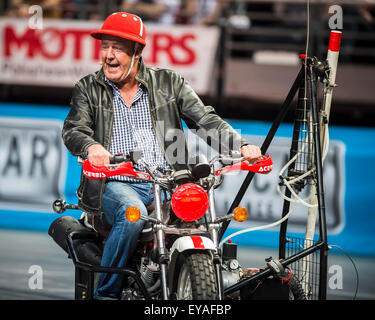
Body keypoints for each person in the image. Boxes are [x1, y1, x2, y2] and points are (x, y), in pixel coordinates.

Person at [62, 11, 262, 300]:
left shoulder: (169, 82)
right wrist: (91, 148)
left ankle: (209, 284)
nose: (108, 55)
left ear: (137, 51)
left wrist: (240, 146)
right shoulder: (88, 88)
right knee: (135, 217)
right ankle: (106, 294)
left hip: (167, 180)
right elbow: (74, 129)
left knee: (204, 214)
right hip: (115, 182)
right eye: (105, 46)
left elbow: (204, 121)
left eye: (117, 48)